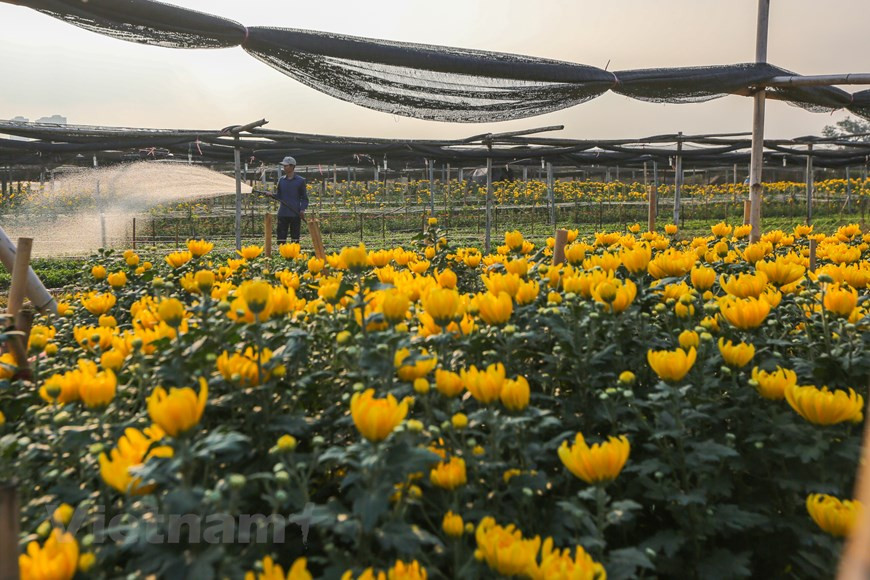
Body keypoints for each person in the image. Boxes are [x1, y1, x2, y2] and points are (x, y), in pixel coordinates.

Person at [270, 156, 308, 244]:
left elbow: (304, 198)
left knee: (295, 238)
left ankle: (294, 255)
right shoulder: (281, 180)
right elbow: (279, 196)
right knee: (281, 238)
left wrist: (302, 209)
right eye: (284, 166)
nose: (284, 167)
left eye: (286, 165)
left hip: (295, 213)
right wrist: (271, 195)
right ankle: (282, 254)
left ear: (292, 166)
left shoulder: (300, 181)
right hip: (282, 213)